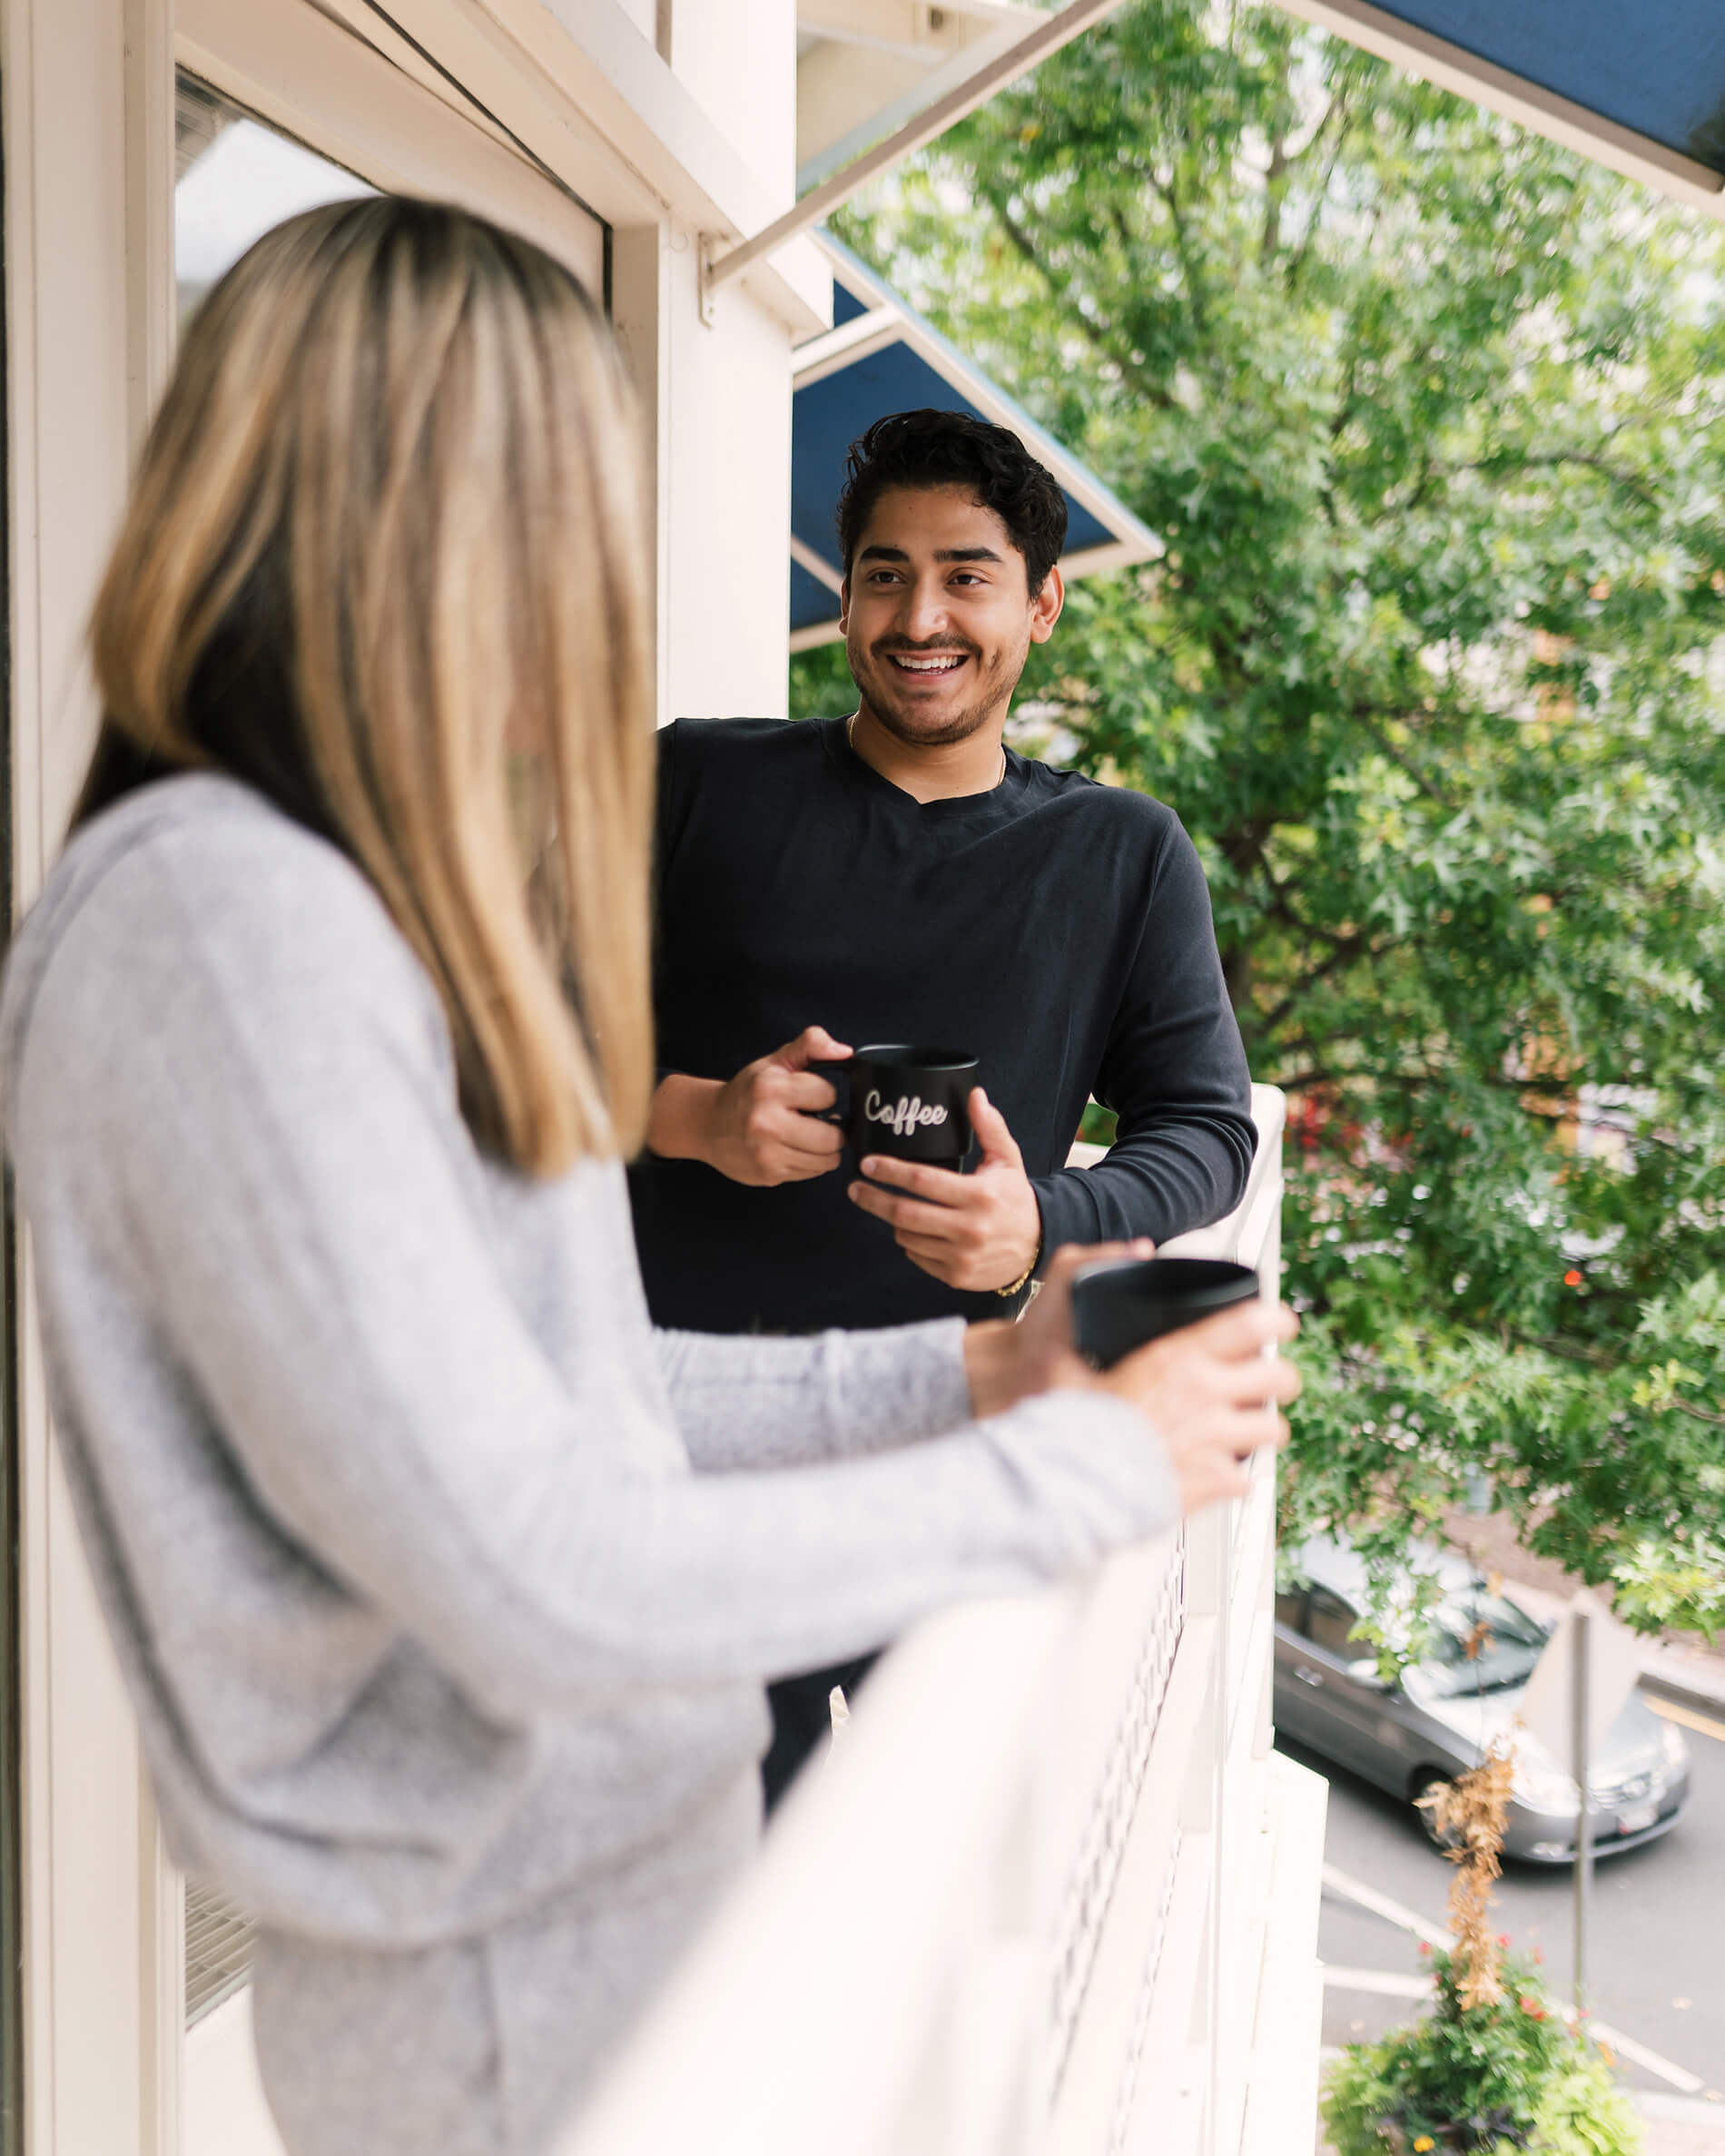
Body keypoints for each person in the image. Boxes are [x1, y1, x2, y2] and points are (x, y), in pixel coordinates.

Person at [1, 200, 1297, 2156]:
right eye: (563, 510)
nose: (583, 583)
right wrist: (1080, 1471)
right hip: (529, 2027)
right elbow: (539, 1572)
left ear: (1039, 606)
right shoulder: (228, 927)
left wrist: (959, 1378)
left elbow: (544, 1409)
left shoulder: (288, 896)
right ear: (426, 515)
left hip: (572, 1966)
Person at [630, 409, 1257, 1799]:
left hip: (949, 1442)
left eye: (967, 575)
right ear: (844, 594)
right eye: (883, 573)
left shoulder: (1121, 853)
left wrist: (1038, 1225)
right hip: (685, 1444)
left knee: (952, 1869)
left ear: (1039, 603)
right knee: (724, 1876)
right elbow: (511, 1053)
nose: (921, 616)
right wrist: (696, 1118)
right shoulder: (693, 785)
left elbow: (1208, 1129)